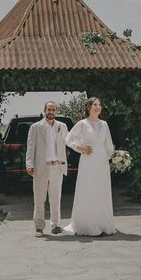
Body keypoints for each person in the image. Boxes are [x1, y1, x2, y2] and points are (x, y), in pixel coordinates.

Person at [64, 97, 116, 236]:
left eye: (99, 104)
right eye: (94, 104)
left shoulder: (104, 124)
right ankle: (87, 225)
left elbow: (109, 144)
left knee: (101, 190)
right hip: (88, 159)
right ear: (89, 107)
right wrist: (80, 148)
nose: (97, 107)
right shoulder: (82, 123)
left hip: (102, 161)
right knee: (88, 189)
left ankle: (103, 224)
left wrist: (113, 157)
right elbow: (68, 139)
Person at [25, 101, 69, 237]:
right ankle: (39, 227)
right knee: (39, 199)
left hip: (57, 166)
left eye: (53, 109)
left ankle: (55, 225)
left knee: (56, 199)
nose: (51, 112)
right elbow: (30, 147)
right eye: (49, 109)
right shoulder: (36, 127)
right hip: (41, 168)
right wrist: (29, 164)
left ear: (56, 111)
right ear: (45, 110)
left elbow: (68, 142)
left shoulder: (62, 126)